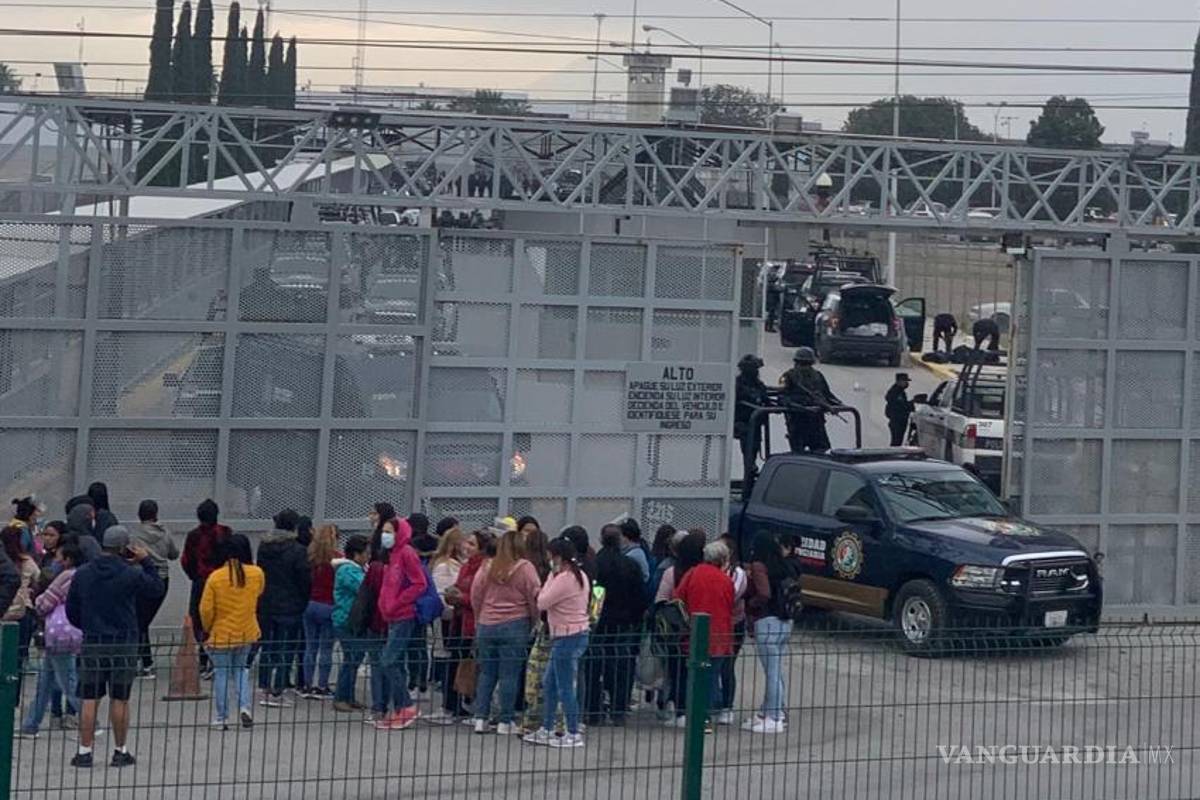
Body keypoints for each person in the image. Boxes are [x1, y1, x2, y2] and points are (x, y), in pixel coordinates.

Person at [65, 525, 164, 768]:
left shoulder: (84, 573)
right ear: (124, 547)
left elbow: (71, 610)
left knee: (89, 697)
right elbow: (156, 588)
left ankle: (84, 751)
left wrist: (87, 625)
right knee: (120, 697)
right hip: (124, 641)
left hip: (94, 640)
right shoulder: (130, 573)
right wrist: (146, 561)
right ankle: (120, 751)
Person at [469, 528, 540, 735]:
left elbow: (476, 594)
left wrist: (479, 617)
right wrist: (533, 621)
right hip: (515, 624)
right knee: (510, 675)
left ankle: (480, 718)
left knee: (487, 674)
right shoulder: (525, 568)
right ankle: (504, 721)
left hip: (486, 624)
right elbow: (534, 596)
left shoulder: (486, 566)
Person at [524, 538, 591, 748]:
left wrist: (549, 581)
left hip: (568, 634)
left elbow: (542, 602)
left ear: (558, 557)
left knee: (564, 687)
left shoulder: (565, 578)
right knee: (550, 682)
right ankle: (547, 726)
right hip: (565, 634)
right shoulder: (575, 576)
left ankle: (572, 731)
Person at [18, 539, 84, 738]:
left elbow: (47, 601)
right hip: (70, 632)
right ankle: (31, 723)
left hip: (58, 634)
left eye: (58, 556)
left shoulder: (65, 577)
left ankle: (89, 718)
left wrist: (37, 601)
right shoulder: (82, 575)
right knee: (46, 680)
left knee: (68, 682)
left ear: (67, 559)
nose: (55, 560)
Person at [585, 524, 648, 727]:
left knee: (595, 666)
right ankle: (619, 710)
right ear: (620, 540)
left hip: (601, 623)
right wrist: (634, 617)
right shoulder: (630, 565)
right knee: (621, 665)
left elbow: (596, 594)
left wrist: (593, 617)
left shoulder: (597, 564)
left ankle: (593, 710)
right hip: (624, 622)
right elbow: (640, 595)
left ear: (602, 540)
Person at [200, 534, 264, 731]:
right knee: (241, 671)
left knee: (222, 674)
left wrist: (208, 628)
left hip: (221, 634)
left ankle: (221, 718)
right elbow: (259, 594)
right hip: (246, 631)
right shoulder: (257, 573)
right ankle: (245, 707)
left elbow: (205, 609)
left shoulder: (216, 577)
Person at [672, 539, 735, 734]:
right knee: (712, 675)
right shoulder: (726, 580)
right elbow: (730, 604)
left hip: (694, 634)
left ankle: (698, 715)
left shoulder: (692, 574)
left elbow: (678, 598)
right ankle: (708, 713)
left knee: (696, 676)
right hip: (719, 635)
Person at [375, 516, 427, 730]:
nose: (385, 535)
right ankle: (399, 709)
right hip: (392, 615)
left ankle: (405, 705)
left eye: (389, 531)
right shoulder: (392, 555)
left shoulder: (406, 553)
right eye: (384, 531)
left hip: (403, 615)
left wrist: (398, 602)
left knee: (388, 660)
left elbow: (419, 583)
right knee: (394, 662)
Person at [744, 532, 799, 734]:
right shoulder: (785, 565)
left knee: (771, 671)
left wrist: (752, 604)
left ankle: (773, 717)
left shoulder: (760, 566)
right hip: (786, 621)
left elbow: (764, 593)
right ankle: (771, 712)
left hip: (767, 621)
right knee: (775, 670)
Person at [256, 509, 311, 707]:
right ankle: (278, 689)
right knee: (286, 648)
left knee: (267, 645)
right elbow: (304, 579)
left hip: (266, 602)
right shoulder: (297, 550)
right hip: (290, 604)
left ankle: (264, 685)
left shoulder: (264, 546)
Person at [181, 499, 231, 679]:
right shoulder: (225, 533)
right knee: (220, 618)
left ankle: (204, 659)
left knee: (200, 620)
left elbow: (186, 560)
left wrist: (194, 576)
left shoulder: (193, 536)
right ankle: (218, 659)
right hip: (223, 582)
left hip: (201, 582)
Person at [660, 530, 705, 727]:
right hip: (701, 628)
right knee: (697, 670)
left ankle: (678, 709)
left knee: (676, 670)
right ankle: (696, 710)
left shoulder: (672, 572)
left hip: (676, 629)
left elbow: (661, 598)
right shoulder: (704, 572)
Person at [129, 499, 179, 678]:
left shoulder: (135, 535)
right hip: (163, 579)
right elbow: (174, 554)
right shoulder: (165, 533)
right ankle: (145, 661)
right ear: (156, 513)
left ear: (139, 515)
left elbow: (130, 554)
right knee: (143, 621)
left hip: (142, 579)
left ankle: (141, 661)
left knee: (139, 621)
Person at [447, 530, 492, 721]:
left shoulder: (484, 568)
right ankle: (455, 703)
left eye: (472, 544)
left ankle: (474, 703)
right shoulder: (466, 567)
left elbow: (480, 597)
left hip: (474, 622)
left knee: (474, 665)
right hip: (459, 620)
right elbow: (459, 585)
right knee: (459, 661)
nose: (467, 547)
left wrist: (462, 598)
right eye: (467, 543)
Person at [361, 507, 397, 724]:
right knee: (391, 663)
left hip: (376, 620)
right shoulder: (399, 567)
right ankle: (392, 706)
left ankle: (378, 708)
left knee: (377, 665)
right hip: (392, 620)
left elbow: (365, 597)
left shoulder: (374, 569)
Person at [427, 526, 466, 723]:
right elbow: (443, 594)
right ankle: (448, 703)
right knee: (447, 659)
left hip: (453, 618)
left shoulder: (456, 564)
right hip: (446, 618)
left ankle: (454, 702)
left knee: (453, 660)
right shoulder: (445, 567)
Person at [301, 524, 342, 699]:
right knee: (326, 648)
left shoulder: (310, 558)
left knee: (310, 646)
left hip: (310, 604)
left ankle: (307, 684)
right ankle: (322, 685)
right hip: (329, 605)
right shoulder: (338, 560)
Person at [332, 534, 372, 712]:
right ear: (356, 554)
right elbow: (364, 587)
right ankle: (341, 697)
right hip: (346, 619)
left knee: (355, 658)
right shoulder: (348, 571)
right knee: (351, 658)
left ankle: (348, 696)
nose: (368, 556)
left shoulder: (358, 569)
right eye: (366, 553)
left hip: (355, 619)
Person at [779, 347, 842, 453]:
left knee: (822, 451)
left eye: (807, 364)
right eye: (802, 364)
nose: (804, 367)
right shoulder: (788, 376)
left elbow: (827, 395)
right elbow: (782, 397)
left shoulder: (818, 376)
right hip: (797, 421)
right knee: (798, 456)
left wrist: (837, 405)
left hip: (816, 421)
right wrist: (799, 406)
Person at [3, 525, 41, 688]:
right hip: (20, 612)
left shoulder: (3, 562)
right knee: (17, 660)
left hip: (3, 612)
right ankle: (15, 697)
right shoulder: (26, 562)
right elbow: (39, 578)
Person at [715, 536, 748, 726]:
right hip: (715, 623)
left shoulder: (738, 573)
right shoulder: (713, 570)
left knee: (727, 665)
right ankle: (715, 703)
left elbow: (731, 595)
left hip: (733, 624)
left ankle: (727, 706)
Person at [405, 512, 437, 696]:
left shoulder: (410, 546)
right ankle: (423, 680)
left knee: (412, 645)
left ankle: (413, 681)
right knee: (422, 645)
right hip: (428, 601)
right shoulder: (436, 544)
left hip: (413, 601)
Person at [734, 354, 771, 486]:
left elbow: (765, 398)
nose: (757, 372)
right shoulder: (738, 384)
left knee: (753, 452)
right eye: (755, 369)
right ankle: (749, 477)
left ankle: (750, 473)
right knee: (748, 453)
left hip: (755, 424)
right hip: (743, 423)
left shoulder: (758, 384)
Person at [885, 373, 915, 447]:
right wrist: (911, 403)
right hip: (897, 421)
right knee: (896, 442)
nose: (907, 383)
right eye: (905, 381)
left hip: (900, 420)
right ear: (899, 381)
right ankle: (892, 456)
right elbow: (900, 406)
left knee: (898, 441)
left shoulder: (900, 392)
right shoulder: (895, 392)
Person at [618, 519, 650, 587]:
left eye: (620, 535)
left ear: (626, 537)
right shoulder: (631, 551)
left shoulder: (633, 555)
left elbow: (645, 577)